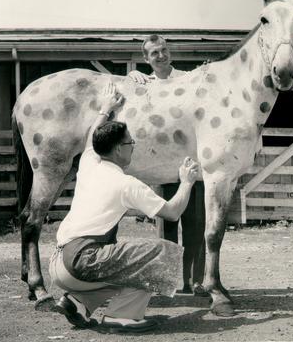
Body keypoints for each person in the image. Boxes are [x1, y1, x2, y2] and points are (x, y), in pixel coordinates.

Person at [49, 82, 200, 333]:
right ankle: (122, 316)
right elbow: (173, 212)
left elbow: (91, 137)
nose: (133, 147)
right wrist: (186, 182)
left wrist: (105, 109)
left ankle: (77, 303)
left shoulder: (90, 161)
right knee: (160, 253)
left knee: (123, 264)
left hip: (58, 264)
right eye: (130, 143)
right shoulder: (126, 183)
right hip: (79, 262)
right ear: (119, 148)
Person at [128, 34, 207, 297]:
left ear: (169, 51)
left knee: (195, 224)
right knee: (167, 226)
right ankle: (171, 281)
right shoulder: (144, 82)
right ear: (146, 59)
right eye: (154, 53)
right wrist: (132, 76)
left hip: (189, 162)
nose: (160, 56)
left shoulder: (187, 78)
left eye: (163, 50)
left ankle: (195, 281)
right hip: (162, 166)